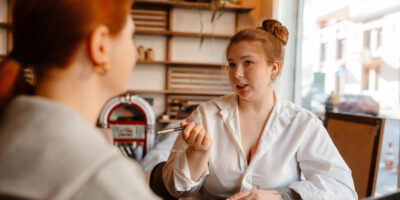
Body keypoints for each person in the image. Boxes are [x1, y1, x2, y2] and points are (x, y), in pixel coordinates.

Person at [160, 19, 358, 200]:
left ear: (274, 68)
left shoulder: (302, 123)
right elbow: (174, 188)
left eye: (248, 63)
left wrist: (282, 197)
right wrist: (198, 153)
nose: (237, 74)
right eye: (231, 64)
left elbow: (343, 189)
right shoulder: (205, 115)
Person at [0, 0, 159, 199]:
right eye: (131, 36)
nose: (135, 53)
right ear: (100, 46)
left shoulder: (9, 134)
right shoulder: (103, 177)